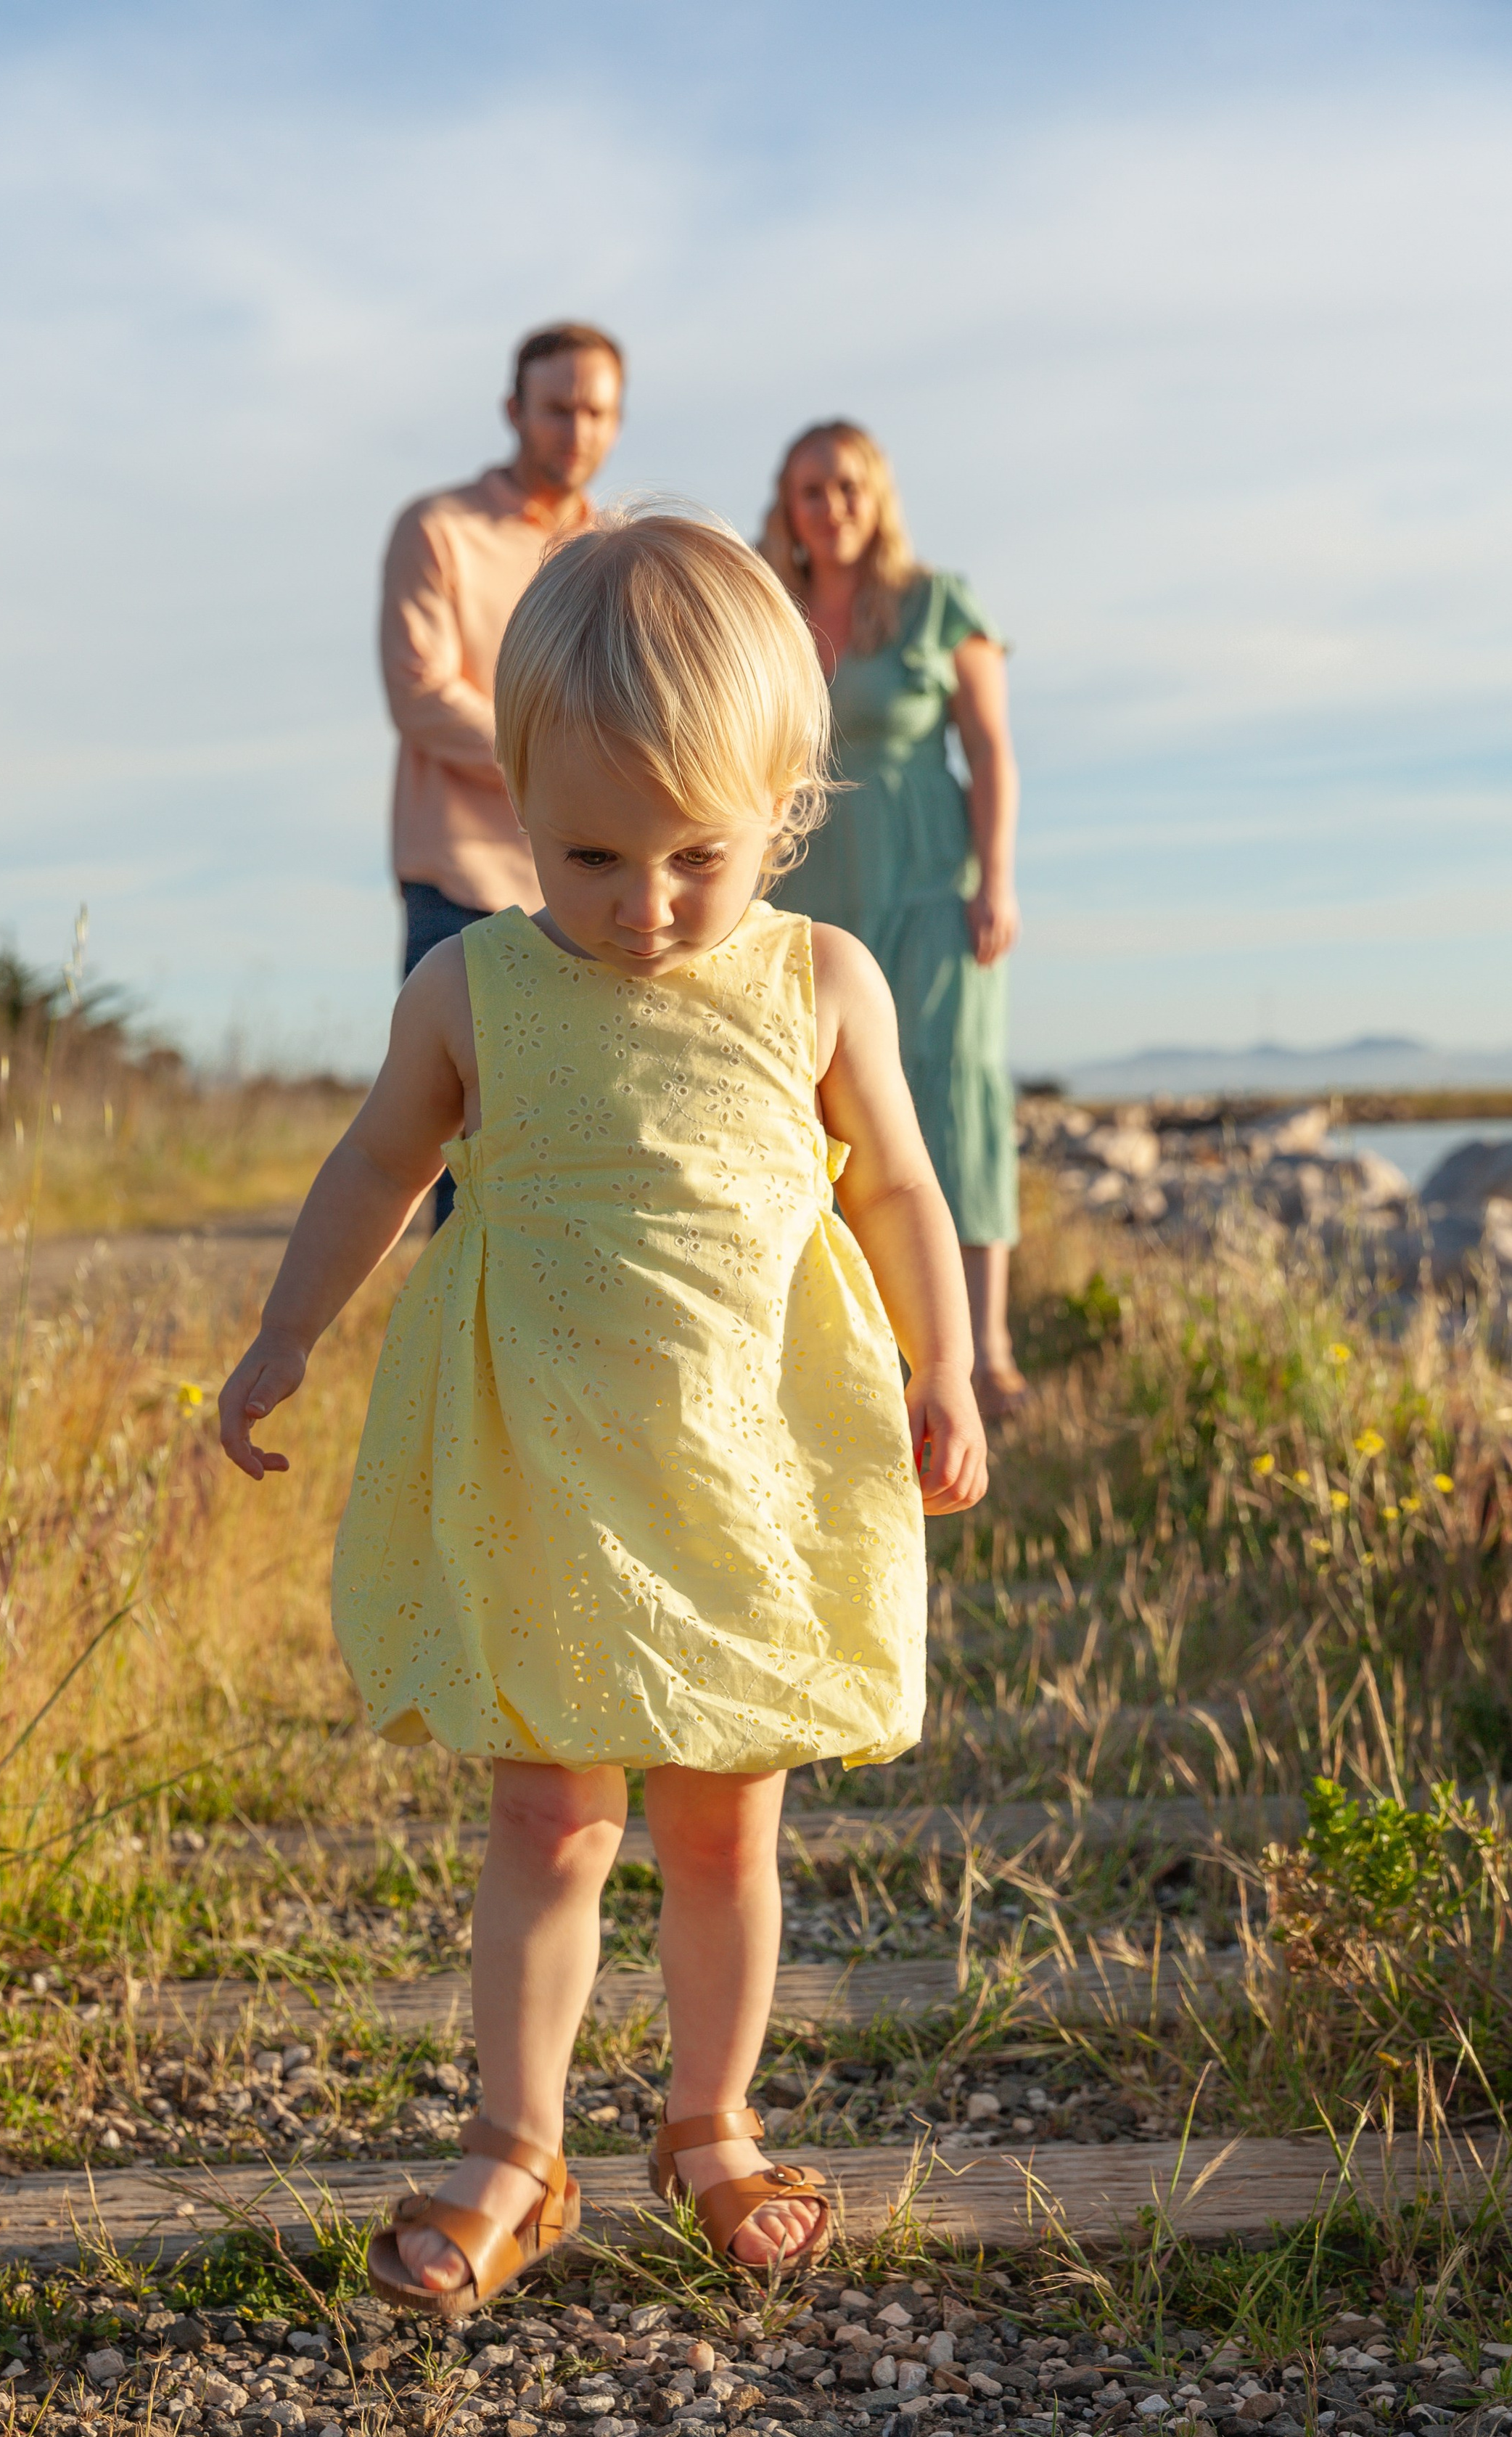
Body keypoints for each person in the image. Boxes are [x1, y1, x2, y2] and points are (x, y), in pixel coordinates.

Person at [221, 508, 987, 2317]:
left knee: (726, 1822)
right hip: (544, 1473)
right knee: (548, 1816)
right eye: (589, 856)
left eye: (692, 859)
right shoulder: (474, 981)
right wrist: (281, 1333)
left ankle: (709, 2123)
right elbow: (374, 1165)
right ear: (511, 794)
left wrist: (943, 1362)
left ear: (782, 809)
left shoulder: (815, 982)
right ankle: (514, 2135)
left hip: (742, 1469)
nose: (640, 905)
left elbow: (896, 1191)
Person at [761, 420, 1027, 1417]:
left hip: (929, 885)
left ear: (877, 497)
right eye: (809, 490)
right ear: (786, 506)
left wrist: (996, 878)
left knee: (953, 1095)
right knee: (824, 1109)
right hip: (807, 893)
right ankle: (855, 1339)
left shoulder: (936, 604)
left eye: (846, 486)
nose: (829, 506)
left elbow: (991, 746)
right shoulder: (770, 613)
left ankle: (984, 1348)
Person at [381, 322, 625, 1218]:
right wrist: (568, 764)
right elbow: (419, 693)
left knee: (579, 1149)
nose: (577, 429)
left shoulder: (623, 549)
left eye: (597, 411)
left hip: (599, 885)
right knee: (464, 1163)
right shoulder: (438, 531)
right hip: (463, 880)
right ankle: (460, 1357)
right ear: (514, 411)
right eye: (558, 407)